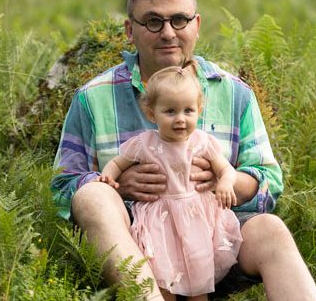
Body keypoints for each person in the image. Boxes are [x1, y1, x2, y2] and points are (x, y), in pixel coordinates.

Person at [51, 0, 316, 301]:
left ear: (196, 25)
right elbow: (63, 186)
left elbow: (269, 183)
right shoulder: (93, 97)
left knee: (272, 230)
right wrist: (115, 185)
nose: (168, 33)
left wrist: (225, 179)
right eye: (153, 22)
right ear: (129, 30)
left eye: (179, 20)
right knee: (93, 196)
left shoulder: (235, 94)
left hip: (212, 243)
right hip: (135, 248)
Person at [99, 63, 242, 300]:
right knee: (162, 278)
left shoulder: (202, 142)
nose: (180, 119)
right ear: (151, 113)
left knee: (199, 282)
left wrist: (225, 182)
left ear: (199, 110)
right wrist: (108, 177)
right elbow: (117, 163)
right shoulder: (144, 143)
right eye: (170, 111)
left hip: (196, 220)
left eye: (188, 111)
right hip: (159, 221)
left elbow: (226, 169)